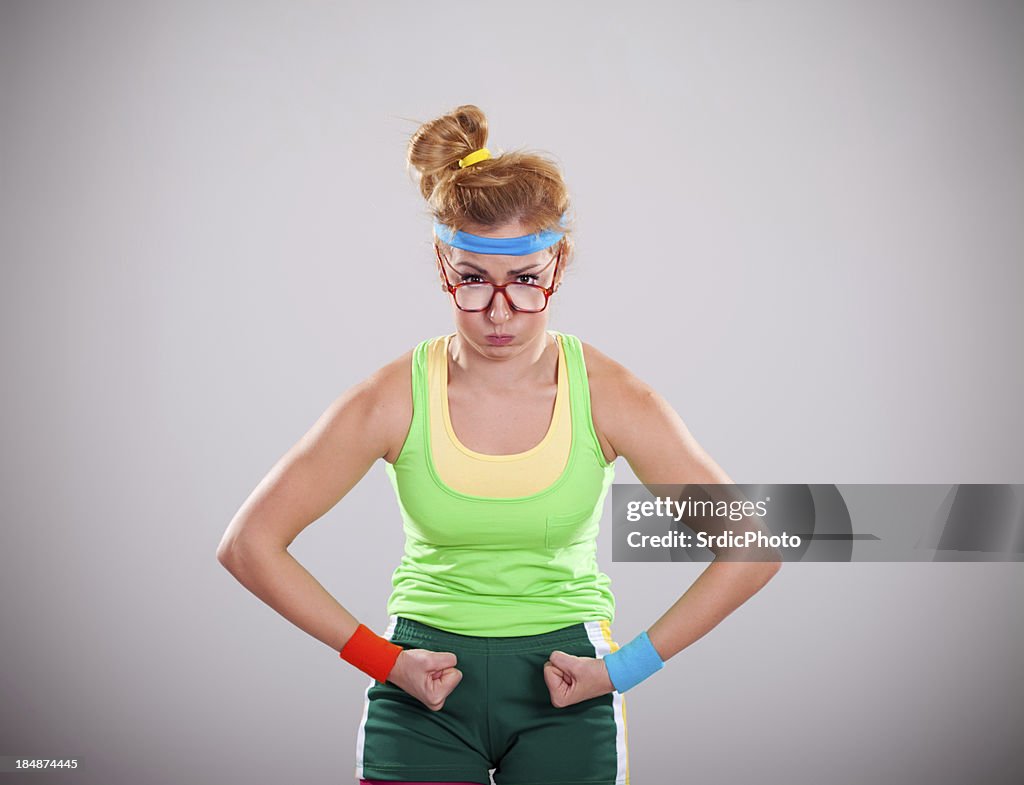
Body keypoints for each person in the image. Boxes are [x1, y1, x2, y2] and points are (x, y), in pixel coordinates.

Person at [216, 104, 782, 785]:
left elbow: (751, 548)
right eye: (474, 279)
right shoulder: (391, 397)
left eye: (525, 281)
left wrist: (618, 668)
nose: (500, 312)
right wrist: (386, 661)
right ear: (441, 264)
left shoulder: (611, 395)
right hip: (424, 686)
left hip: (566, 687)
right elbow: (249, 545)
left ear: (559, 264)